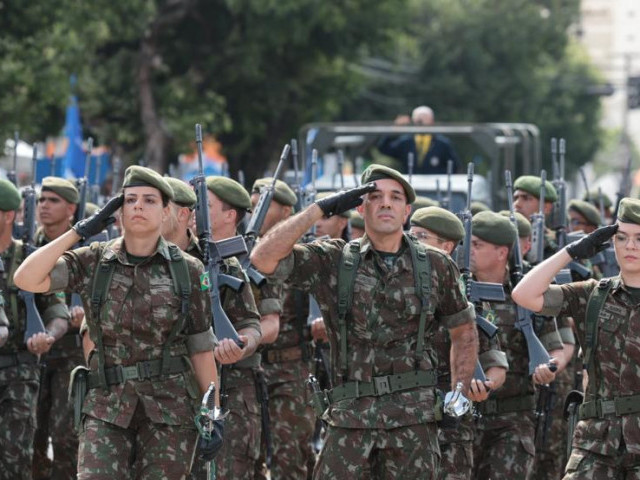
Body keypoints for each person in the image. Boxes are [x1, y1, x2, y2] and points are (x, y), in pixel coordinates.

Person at [251, 164, 478, 479]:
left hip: (412, 420)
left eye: (395, 197)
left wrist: (459, 391)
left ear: (406, 211)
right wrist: (319, 209)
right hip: (349, 418)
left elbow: (464, 329)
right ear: (360, 206)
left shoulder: (436, 265)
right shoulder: (333, 260)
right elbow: (262, 258)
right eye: (375, 196)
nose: (386, 203)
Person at [14, 166, 221, 479]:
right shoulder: (94, 260)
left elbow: (201, 347)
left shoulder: (188, 270)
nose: (138, 205)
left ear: (167, 212)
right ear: (119, 210)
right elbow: (26, 278)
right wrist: (79, 231)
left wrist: (213, 413)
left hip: (170, 408)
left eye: (150, 200)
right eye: (130, 199)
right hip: (106, 406)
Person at [511, 200, 638, 479]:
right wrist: (569, 252)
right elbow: (524, 295)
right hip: (595, 445)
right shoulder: (592, 294)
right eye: (622, 237)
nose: (630, 246)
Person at [164, 176, 263, 480]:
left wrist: (241, 344)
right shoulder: (141, 261)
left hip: (224, 390)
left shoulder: (223, 263)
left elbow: (251, 324)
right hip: (164, 395)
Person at [409, 206, 508, 479]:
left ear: (447, 246)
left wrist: (483, 386)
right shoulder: (400, 289)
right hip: (403, 423)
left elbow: (496, 363)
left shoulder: (469, 299)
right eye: (410, 234)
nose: (411, 242)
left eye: (421, 236)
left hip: (449, 426)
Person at [470, 211, 564, 480]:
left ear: (501, 252)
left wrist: (548, 368)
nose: (469, 251)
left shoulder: (526, 295)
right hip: (464, 418)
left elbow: (554, 348)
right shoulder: (456, 290)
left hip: (513, 418)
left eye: (477, 245)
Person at [0, 178, 71, 479]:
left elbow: (58, 314)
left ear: (8, 215)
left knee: (15, 460)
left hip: (18, 372)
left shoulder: (29, 260)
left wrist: (47, 336)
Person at [250, 177, 317, 480]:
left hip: (291, 372)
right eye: (253, 207)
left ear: (287, 211)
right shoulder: (240, 253)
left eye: (264, 207)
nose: (256, 213)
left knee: (289, 458)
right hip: (249, 372)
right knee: (247, 458)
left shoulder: (302, 257)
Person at [31, 176, 84, 480]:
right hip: (32, 353)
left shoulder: (85, 252)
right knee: (33, 435)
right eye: (41, 200)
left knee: (65, 436)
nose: (44, 206)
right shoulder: (28, 246)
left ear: (71, 209)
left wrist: (85, 314)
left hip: (71, 356)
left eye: (53, 201)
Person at [377, 106, 460, 174]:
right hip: (410, 185)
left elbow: (454, 167)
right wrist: (395, 129)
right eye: (418, 119)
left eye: (424, 118)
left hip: (435, 188)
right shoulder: (406, 141)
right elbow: (383, 148)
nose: (420, 122)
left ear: (432, 121)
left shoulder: (442, 143)